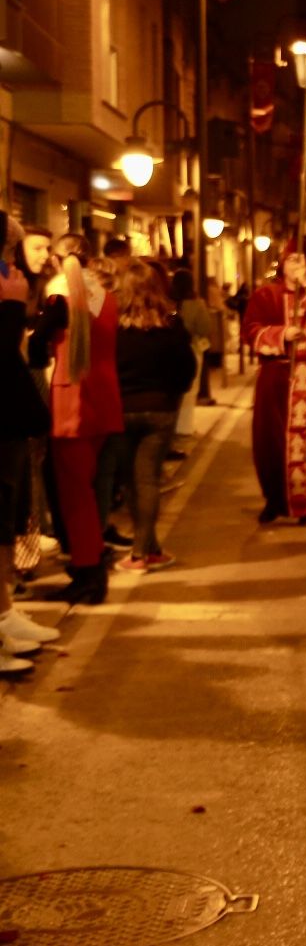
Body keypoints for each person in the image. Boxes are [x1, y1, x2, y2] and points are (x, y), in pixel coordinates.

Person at [29, 235, 123, 605]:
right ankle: (91, 561)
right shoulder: (104, 295)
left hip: (72, 397)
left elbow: (37, 350)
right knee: (86, 488)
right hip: (103, 396)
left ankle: (88, 572)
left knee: (74, 495)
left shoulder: (59, 294)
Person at [110, 259, 197, 572]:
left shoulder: (113, 324)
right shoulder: (171, 323)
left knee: (132, 483)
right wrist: (173, 396)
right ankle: (145, 552)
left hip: (121, 409)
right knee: (147, 479)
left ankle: (141, 552)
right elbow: (187, 368)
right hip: (159, 409)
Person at [245, 245, 306, 526]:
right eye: (291, 260)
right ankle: (274, 499)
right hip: (276, 377)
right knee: (271, 442)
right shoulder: (265, 294)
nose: (295, 265)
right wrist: (283, 334)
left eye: (301, 261)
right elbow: (250, 330)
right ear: (282, 264)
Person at [0, 232, 57, 672]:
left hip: (10, 421)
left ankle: (4, 616)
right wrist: (14, 305)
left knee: (7, 523)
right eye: (12, 249)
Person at [170, 268, 212, 437]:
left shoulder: (169, 302)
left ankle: (173, 425)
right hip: (191, 347)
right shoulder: (196, 304)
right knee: (190, 388)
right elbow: (205, 327)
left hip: (171, 349)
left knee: (174, 388)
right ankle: (184, 427)